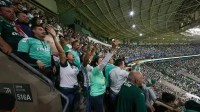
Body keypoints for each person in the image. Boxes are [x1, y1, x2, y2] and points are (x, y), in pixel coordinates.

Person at [49, 27, 79, 112]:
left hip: (74, 90)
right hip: (66, 90)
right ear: (66, 57)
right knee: (67, 109)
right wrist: (55, 37)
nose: (72, 54)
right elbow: (61, 52)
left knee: (72, 108)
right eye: (70, 53)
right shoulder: (64, 64)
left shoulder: (75, 66)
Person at [90, 40, 120, 112]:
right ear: (97, 63)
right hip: (96, 96)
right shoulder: (95, 70)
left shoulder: (100, 71)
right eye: (100, 61)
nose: (103, 62)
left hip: (101, 93)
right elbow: (104, 63)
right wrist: (112, 48)